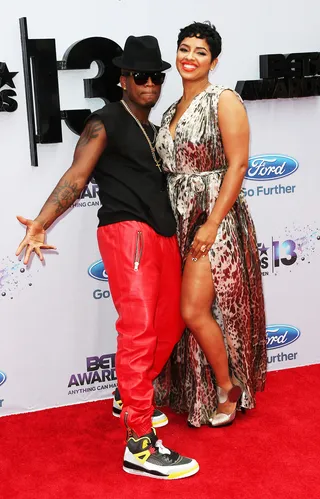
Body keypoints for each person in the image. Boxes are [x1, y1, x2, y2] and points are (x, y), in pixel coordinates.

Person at [15, 35, 199, 479]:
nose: (150, 83)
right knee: (138, 331)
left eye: (156, 76)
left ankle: (127, 396)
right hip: (127, 233)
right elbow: (76, 177)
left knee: (172, 322)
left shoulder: (154, 130)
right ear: (122, 79)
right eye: (141, 76)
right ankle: (139, 444)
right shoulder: (104, 122)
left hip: (163, 235)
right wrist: (42, 221)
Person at [155, 22, 267, 428]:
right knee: (181, 311)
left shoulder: (224, 100)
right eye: (185, 48)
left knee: (193, 310)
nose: (190, 57)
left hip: (213, 219)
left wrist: (211, 223)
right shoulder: (169, 111)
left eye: (200, 52)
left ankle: (228, 386)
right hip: (178, 219)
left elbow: (238, 164)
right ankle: (201, 387)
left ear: (214, 61)